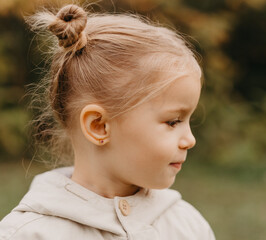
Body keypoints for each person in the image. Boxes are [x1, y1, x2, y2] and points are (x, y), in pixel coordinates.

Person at [0, 4, 215, 240]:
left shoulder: (188, 226)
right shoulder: (28, 234)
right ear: (98, 126)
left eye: (187, 121)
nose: (190, 140)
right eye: (173, 122)